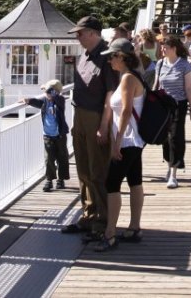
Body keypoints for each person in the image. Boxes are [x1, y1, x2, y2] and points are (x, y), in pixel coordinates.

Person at [61, 16, 116, 240]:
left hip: (96, 117)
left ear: (93, 33)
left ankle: (102, 222)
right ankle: (88, 215)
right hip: (80, 116)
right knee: (83, 170)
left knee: (98, 171)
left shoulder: (107, 57)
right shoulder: (83, 56)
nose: (77, 37)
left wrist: (104, 125)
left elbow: (111, 95)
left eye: (80, 33)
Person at [98, 38, 146, 251]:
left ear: (120, 57)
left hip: (127, 140)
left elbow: (126, 110)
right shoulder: (133, 76)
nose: (109, 61)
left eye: (111, 57)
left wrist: (116, 143)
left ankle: (109, 234)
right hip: (135, 140)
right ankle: (134, 227)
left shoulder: (127, 79)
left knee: (111, 183)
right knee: (135, 181)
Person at [155, 35, 191, 188]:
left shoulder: (184, 65)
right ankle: (169, 164)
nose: (162, 50)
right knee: (165, 138)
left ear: (173, 48)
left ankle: (173, 174)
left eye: (165, 47)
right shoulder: (160, 64)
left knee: (175, 137)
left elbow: (188, 87)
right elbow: (156, 86)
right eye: (162, 47)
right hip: (163, 105)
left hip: (179, 104)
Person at [22, 79, 70, 191]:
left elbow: (56, 97)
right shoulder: (45, 101)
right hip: (48, 135)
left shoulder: (60, 100)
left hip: (60, 135)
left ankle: (61, 179)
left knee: (62, 157)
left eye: (49, 91)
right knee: (49, 158)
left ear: (55, 92)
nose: (46, 93)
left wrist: (48, 90)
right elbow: (37, 102)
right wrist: (27, 100)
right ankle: (49, 179)